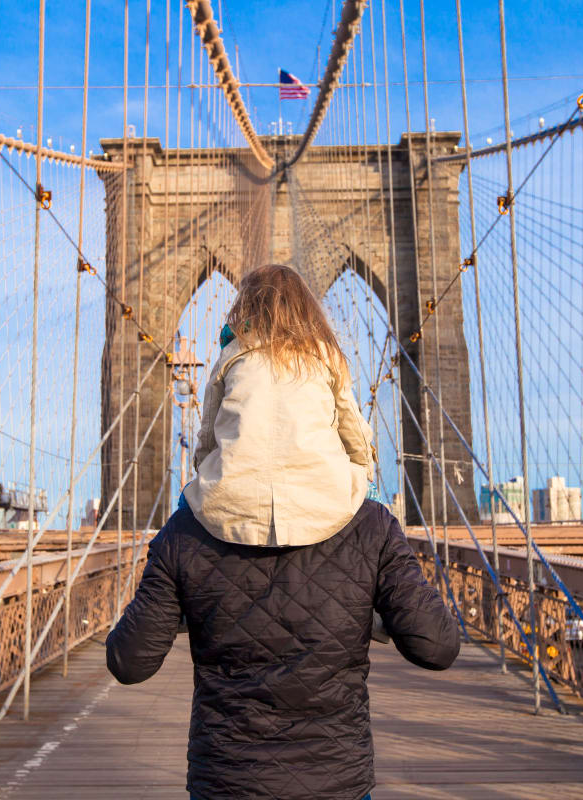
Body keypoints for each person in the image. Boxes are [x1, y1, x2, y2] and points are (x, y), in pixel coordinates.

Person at [106, 264, 460, 800]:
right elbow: (438, 646)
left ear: (225, 396)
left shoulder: (185, 531)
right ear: (331, 398)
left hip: (227, 784)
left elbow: (129, 663)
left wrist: (184, 604)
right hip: (337, 785)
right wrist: (370, 612)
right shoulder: (371, 530)